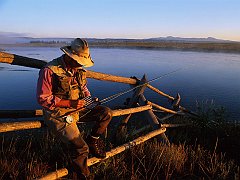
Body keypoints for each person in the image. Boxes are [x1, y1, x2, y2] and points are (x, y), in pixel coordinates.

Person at [37, 38, 113, 179]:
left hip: (78, 108)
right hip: (57, 112)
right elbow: (43, 98)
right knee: (81, 148)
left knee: (106, 113)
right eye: (78, 61)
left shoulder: (79, 70)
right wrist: (69, 104)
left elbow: (84, 89)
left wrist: (89, 100)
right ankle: (81, 176)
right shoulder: (50, 70)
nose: (79, 65)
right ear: (69, 56)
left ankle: (92, 140)